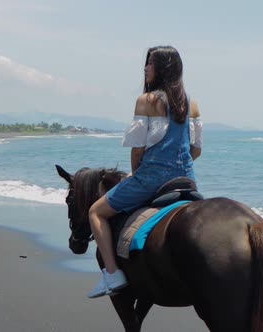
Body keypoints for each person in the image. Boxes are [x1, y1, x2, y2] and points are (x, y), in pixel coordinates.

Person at [87, 46, 203, 298]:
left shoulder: (146, 100)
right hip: (187, 180)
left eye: (150, 63)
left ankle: (112, 273)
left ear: (162, 69)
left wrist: (135, 175)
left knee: (95, 211)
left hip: (152, 178)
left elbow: (137, 150)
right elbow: (196, 150)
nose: (145, 68)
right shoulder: (190, 103)